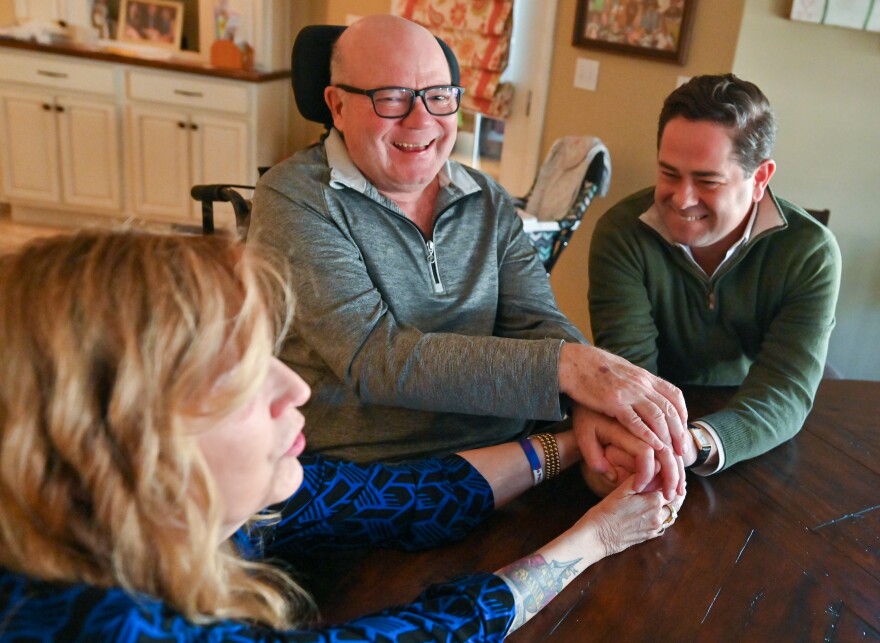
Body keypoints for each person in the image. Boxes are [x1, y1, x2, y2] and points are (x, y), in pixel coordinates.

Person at [0, 230, 686, 640]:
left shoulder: (157, 514)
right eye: (239, 380)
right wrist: (597, 537)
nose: (293, 388)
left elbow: (402, 495)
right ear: (121, 439)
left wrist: (573, 444)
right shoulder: (105, 625)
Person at [249, 14, 688, 497]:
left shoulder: (486, 196)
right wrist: (571, 368)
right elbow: (376, 358)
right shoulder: (294, 198)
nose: (422, 121)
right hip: (372, 476)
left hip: (519, 454)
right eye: (391, 97)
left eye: (439, 96)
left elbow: (537, 320)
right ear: (336, 105)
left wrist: (588, 406)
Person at [587, 73, 841, 476]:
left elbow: (784, 390)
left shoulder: (811, 253)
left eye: (707, 181)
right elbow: (632, 376)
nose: (682, 198)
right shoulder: (621, 235)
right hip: (652, 426)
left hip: (748, 421)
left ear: (759, 179)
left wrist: (698, 443)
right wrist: (663, 445)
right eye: (669, 173)